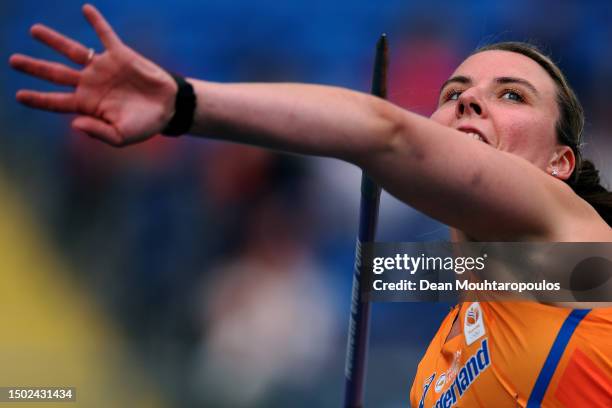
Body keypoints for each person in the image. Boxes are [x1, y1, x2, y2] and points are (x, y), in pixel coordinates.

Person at [9, 4, 612, 407]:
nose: (470, 104)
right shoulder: (448, 348)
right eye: (453, 95)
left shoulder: (578, 251)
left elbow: (385, 136)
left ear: (560, 165)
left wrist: (184, 105)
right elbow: (419, 269)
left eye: (511, 95)